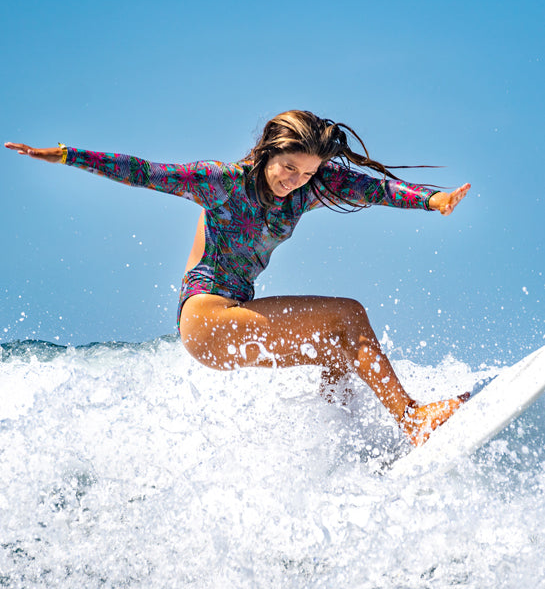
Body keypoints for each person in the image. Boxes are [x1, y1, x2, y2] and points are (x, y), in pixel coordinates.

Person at [5, 110, 471, 447]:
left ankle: (340, 448)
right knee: (349, 315)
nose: (295, 179)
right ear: (270, 151)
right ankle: (412, 419)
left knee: (340, 345)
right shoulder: (223, 182)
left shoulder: (304, 192)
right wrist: (66, 155)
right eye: (289, 167)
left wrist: (432, 201)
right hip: (207, 317)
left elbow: (369, 187)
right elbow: (145, 172)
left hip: (228, 322)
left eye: (307, 173)